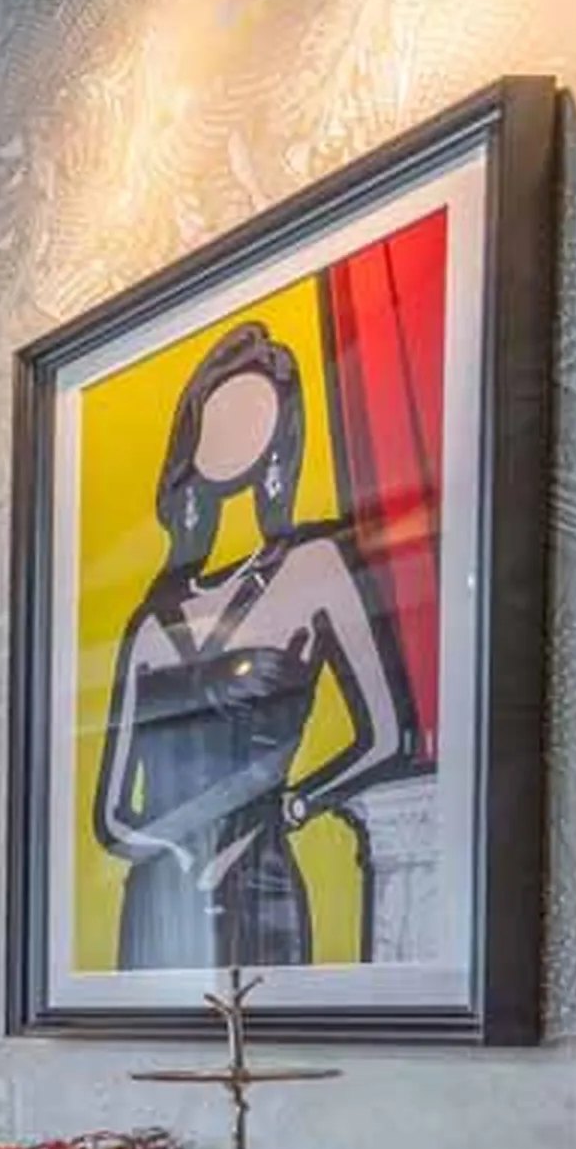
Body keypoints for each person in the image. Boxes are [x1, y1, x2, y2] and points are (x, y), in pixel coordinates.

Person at [91, 320, 423, 971]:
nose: (236, 433)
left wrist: (294, 806)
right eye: (220, 416)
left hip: (260, 874)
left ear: (280, 436)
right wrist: (177, 847)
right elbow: (109, 814)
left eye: (255, 413)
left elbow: (387, 735)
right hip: (161, 891)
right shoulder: (153, 618)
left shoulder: (315, 566)